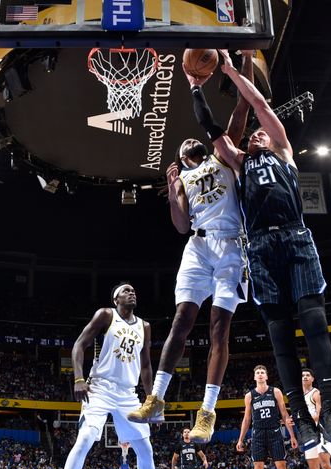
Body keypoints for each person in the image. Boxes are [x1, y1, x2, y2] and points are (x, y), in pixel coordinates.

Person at [183, 49, 331, 451]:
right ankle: (303, 422)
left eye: (261, 133)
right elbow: (211, 128)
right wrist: (195, 89)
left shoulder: (284, 152)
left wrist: (231, 71)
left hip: (295, 237)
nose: (255, 133)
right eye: (252, 133)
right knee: (279, 336)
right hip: (259, 246)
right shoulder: (238, 163)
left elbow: (257, 102)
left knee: (314, 323)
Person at [127, 52, 256, 444]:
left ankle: (207, 412)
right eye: (182, 147)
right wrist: (171, 194)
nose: (187, 144)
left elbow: (242, 104)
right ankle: (157, 399)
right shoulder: (182, 178)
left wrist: (245, 64)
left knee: (219, 328)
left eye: (190, 141)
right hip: (197, 249)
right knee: (180, 322)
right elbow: (182, 226)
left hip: (230, 247)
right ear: (181, 158)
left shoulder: (223, 153)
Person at [48, 284, 178, 469]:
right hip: (99, 387)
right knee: (85, 438)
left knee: (145, 449)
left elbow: (147, 366)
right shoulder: (106, 315)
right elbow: (79, 345)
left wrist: (152, 400)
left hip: (128, 393)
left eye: (134, 290)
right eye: (126, 290)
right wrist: (78, 378)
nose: (132, 292)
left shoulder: (144, 327)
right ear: (116, 297)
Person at [237, 365, 297, 469]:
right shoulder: (249, 396)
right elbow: (246, 419)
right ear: (254, 377)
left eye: (263, 372)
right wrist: (240, 439)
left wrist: (292, 435)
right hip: (258, 434)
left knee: (281, 468)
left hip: (275, 432)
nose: (260, 374)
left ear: (267, 376)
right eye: (257, 373)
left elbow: (284, 415)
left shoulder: (275, 391)